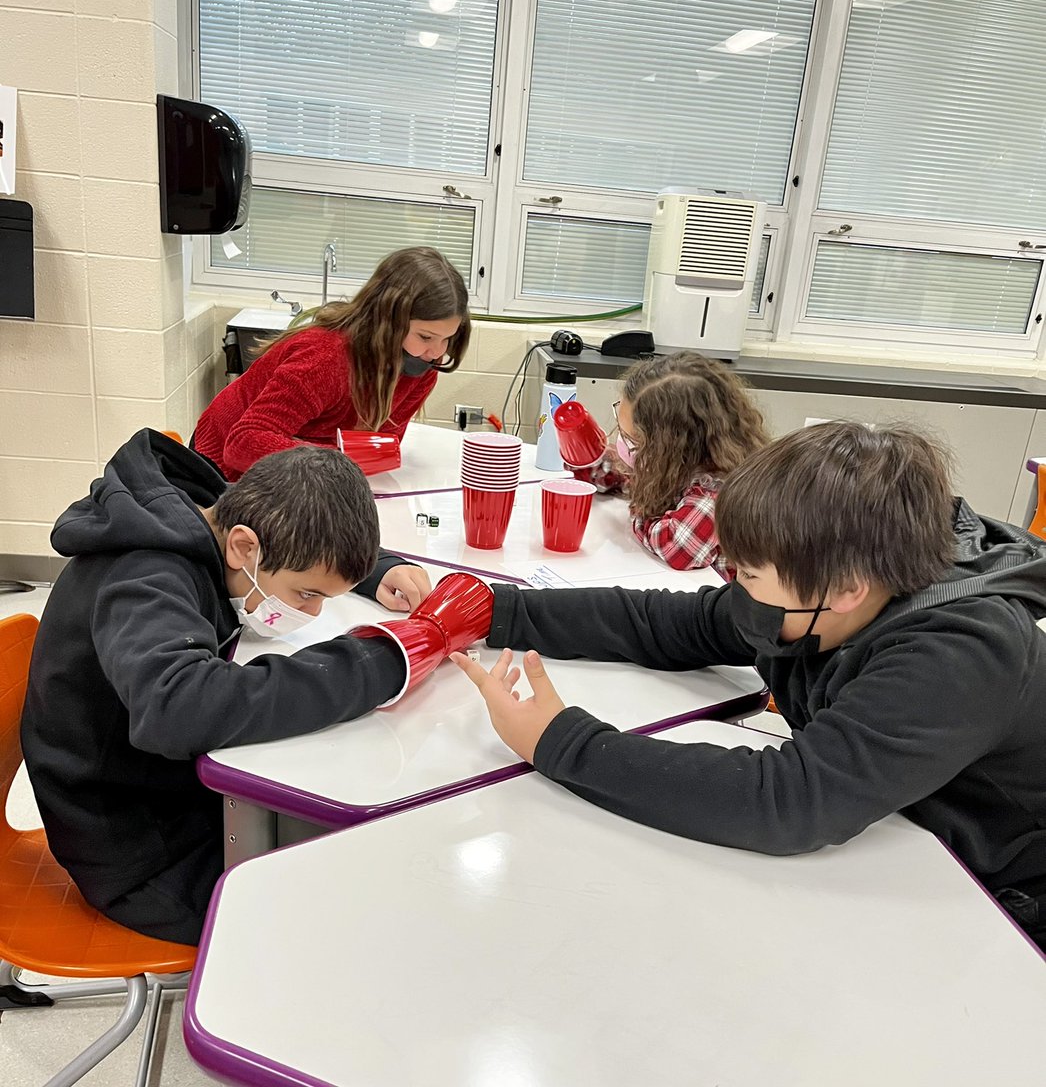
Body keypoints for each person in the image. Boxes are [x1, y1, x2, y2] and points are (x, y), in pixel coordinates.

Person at [453, 422, 1046, 951]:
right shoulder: (826, 592)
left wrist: (559, 741)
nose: (737, 589)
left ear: (846, 590)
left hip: (1003, 903)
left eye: (752, 575)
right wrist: (494, 609)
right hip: (898, 837)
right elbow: (665, 624)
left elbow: (789, 800)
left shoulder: (962, 650)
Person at [21, 430, 431, 944]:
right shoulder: (144, 575)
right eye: (307, 594)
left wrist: (375, 572)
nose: (312, 613)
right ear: (243, 546)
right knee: (344, 915)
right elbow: (178, 707)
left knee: (356, 847)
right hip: (138, 851)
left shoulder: (213, 518)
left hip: (170, 793)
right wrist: (376, 662)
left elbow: (302, 542)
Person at [193, 246, 471, 480]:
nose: (437, 352)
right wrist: (333, 461)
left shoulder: (421, 370)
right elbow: (244, 444)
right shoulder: (325, 359)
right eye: (425, 336)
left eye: (447, 338)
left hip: (294, 470)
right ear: (388, 321)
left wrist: (339, 461)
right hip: (219, 467)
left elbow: (380, 447)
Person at [576, 352, 768, 575]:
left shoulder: (716, 493)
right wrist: (594, 465)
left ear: (670, 448)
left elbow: (678, 548)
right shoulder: (674, 466)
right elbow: (629, 478)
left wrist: (641, 513)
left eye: (635, 443)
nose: (626, 447)